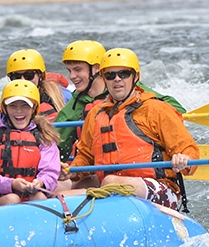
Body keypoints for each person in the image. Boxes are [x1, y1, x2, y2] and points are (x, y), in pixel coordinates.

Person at [61, 48, 199, 212]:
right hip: (112, 186)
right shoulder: (95, 114)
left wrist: (183, 159)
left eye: (124, 74)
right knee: (59, 186)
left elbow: (189, 149)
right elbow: (86, 155)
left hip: (160, 189)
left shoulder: (156, 109)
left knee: (110, 181)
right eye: (110, 75)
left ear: (136, 77)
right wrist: (72, 172)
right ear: (104, 79)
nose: (117, 79)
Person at [54, 40, 186, 163]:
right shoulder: (75, 105)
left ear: (96, 69)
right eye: (69, 71)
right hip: (100, 167)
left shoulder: (130, 88)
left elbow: (176, 109)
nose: (71, 76)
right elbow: (55, 144)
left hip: (136, 164)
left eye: (78, 70)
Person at [0, 80, 61, 211]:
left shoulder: (43, 135)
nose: (19, 111)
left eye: (25, 106)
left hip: (29, 196)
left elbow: (50, 172)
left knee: (39, 197)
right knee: (12, 199)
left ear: (33, 109)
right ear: (5, 109)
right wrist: (11, 184)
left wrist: (41, 182)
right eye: (13, 106)